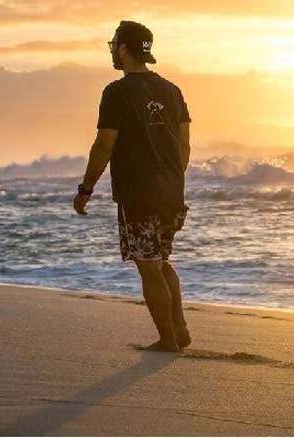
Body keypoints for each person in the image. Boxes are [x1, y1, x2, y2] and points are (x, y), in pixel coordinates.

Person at [73, 20, 192, 353]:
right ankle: (179, 329)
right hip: (172, 192)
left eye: (114, 44)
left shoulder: (117, 92)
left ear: (124, 49)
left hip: (139, 193)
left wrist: (86, 189)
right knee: (161, 259)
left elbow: (103, 146)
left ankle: (168, 339)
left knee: (148, 265)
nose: (112, 49)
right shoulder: (172, 90)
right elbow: (184, 146)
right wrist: (171, 178)